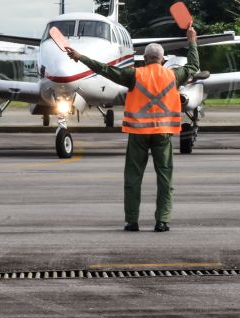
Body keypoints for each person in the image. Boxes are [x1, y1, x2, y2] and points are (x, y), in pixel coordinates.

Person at [65, 27, 203, 232]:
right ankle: (162, 221)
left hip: (138, 134)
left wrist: (80, 57)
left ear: (144, 59)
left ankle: (132, 221)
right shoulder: (173, 76)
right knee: (165, 178)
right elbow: (193, 66)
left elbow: (104, 69)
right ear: (163, 60)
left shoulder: (133, 75)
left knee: (132, 178)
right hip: (163, 134)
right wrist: (192, 41)